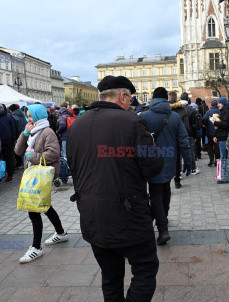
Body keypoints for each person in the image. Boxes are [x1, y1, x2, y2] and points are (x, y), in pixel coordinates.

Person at [67, 75, 164, 301]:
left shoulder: (77, 125)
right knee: (145, 268)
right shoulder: (132, 122)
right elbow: (152, 167)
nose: (130, 103)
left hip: (91, 213)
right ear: (123, 96)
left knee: (110, 276)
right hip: (128, 213)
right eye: (130, 98)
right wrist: (152, 145)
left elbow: (73, 164)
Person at [15, 104, 68, 263]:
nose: (29, 119)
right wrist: (24, 133)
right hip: (33, 174)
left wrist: (31, 155)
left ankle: (36, 248)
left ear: (38, 116)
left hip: (43, 174)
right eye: (28, 116)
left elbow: (53, 153)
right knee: (43, 205)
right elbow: (18, 151)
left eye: (31, 116)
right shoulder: (31, 131)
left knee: (33, 208)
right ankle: (61, 233)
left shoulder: (47, 131)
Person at [140, 87, 192, 245]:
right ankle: (163, 218)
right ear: (165, 99)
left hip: (151, 161)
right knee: (165, 189)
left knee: (155, 193)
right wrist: (188, 162)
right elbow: (184, 141)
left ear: (153, 98)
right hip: (170, 160)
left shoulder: (144, 116)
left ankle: (163, 229)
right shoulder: (174, 116)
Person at [0, 104, 17, 183]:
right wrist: (13, 139)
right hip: (8, 141)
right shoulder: (8, 117)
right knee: (9, 158)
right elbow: (13, 129)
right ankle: (10, 175)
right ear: (2, 109)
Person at [213, 97, 229, 184]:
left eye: (219, 103)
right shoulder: (226, 110)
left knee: (224, 158)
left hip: (224, 137)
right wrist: (215, 134)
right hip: (222, 136)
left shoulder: (226, 111)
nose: (217, 105)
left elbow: (225, 125)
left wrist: (215, 122)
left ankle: (226, 178)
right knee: (226, 157)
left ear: (223, 103)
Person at [180, 93, 200, 175]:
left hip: (178, 134)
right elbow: (194, 125)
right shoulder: (191, 110)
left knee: (179, 154)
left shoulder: (175, 109)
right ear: (188, 99)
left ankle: (179, 171)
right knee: (190, 152)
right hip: (189, 134)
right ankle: (193, 169)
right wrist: (195, 136)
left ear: (180, 99)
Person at [202, 99, 222, 166]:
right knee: (217, 147)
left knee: (210, 147)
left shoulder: (208, 112)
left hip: (209, 132)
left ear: (211, 105)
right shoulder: (220, 111)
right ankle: (217, 161)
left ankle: (211, 160)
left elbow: (204, 120)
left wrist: (205, 125)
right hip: (218, 132)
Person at [8, 104, 26, 168]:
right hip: (25, 133)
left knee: (20, 149)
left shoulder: (14, 117)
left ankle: (22, 164)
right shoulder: (23, 115)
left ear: (11, 110)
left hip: (19, 135)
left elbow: (15, 128)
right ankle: (24, 163)